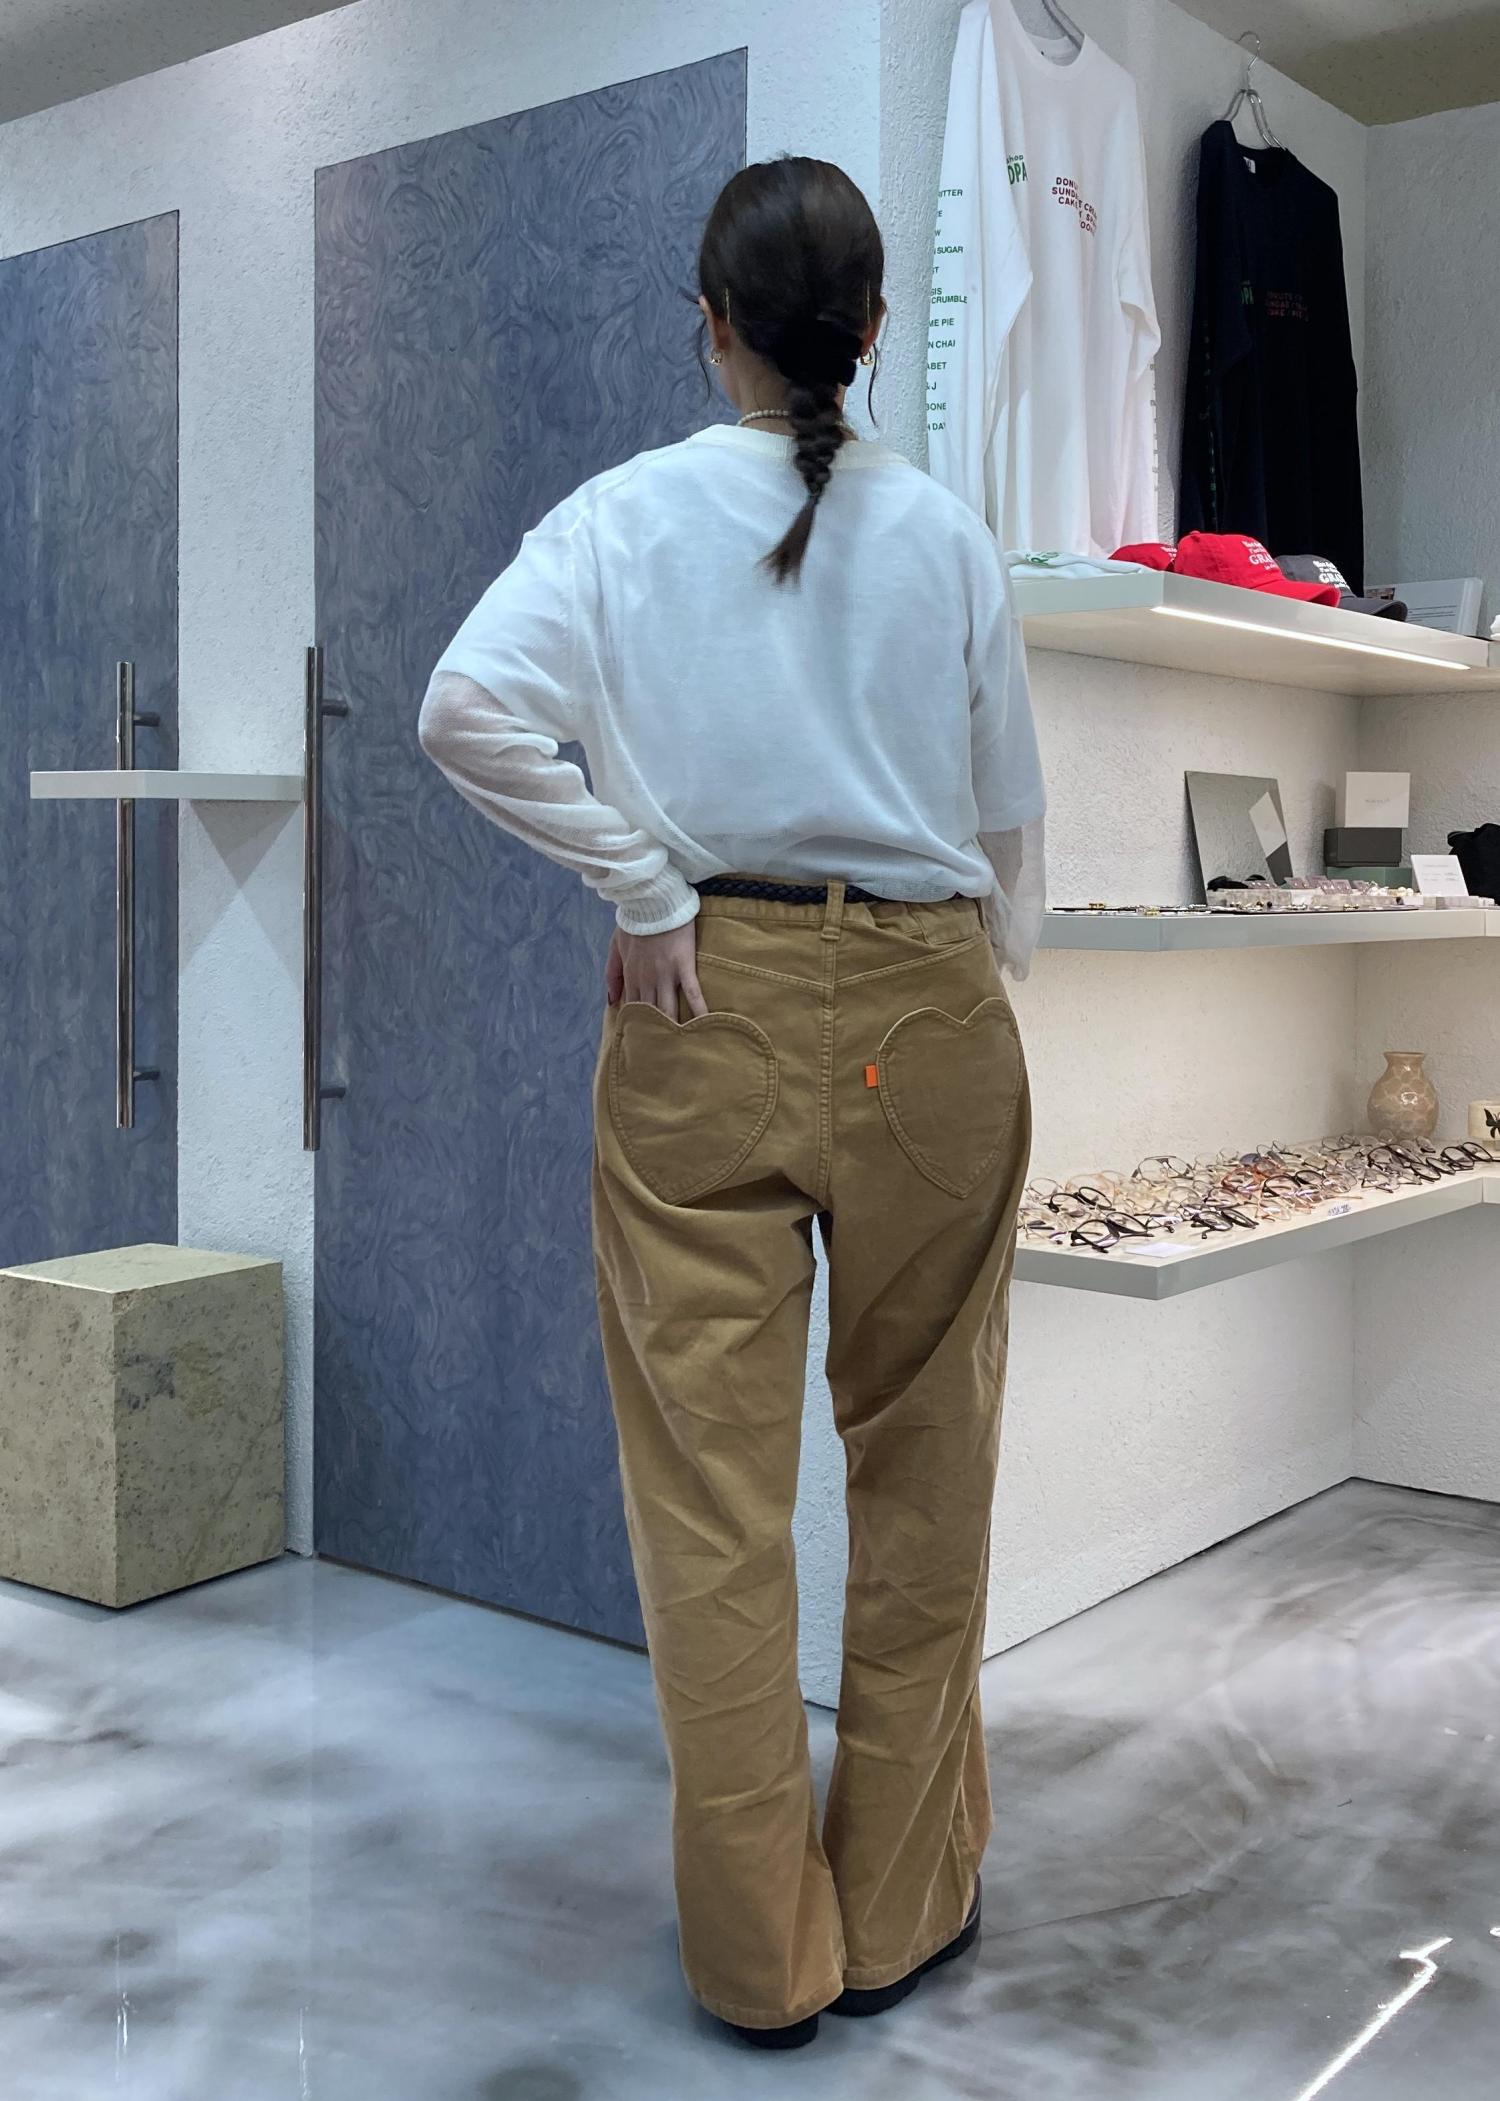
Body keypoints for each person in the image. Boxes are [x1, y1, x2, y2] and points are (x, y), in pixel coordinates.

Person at [418, 155, 1045, 2051]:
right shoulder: (946, 535)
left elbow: (462, 709)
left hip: (705, 998)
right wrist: (967, 996)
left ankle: (762, 1958)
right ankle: (905, 1905)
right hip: (929, 1005)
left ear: (712, 329)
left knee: (710, 1500)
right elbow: (1012, 830)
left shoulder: (620, 516)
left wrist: (645, 889)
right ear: (873, 328)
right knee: (929, 1470)